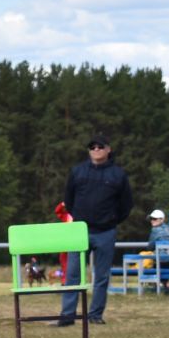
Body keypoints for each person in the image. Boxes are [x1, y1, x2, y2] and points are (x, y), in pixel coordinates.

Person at [58, 134, 133, 326]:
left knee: (101, 276)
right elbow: (69, 198)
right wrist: (79, 219)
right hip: (79, 230)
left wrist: (112, 220)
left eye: (100, 146)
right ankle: (67, 316)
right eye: (92, 147)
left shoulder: (118, 174)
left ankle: (95, 315)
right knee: (73, 274)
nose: (96, 149)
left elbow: (126, 203)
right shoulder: (78, 172)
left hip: (106, 232)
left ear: (109, 149)